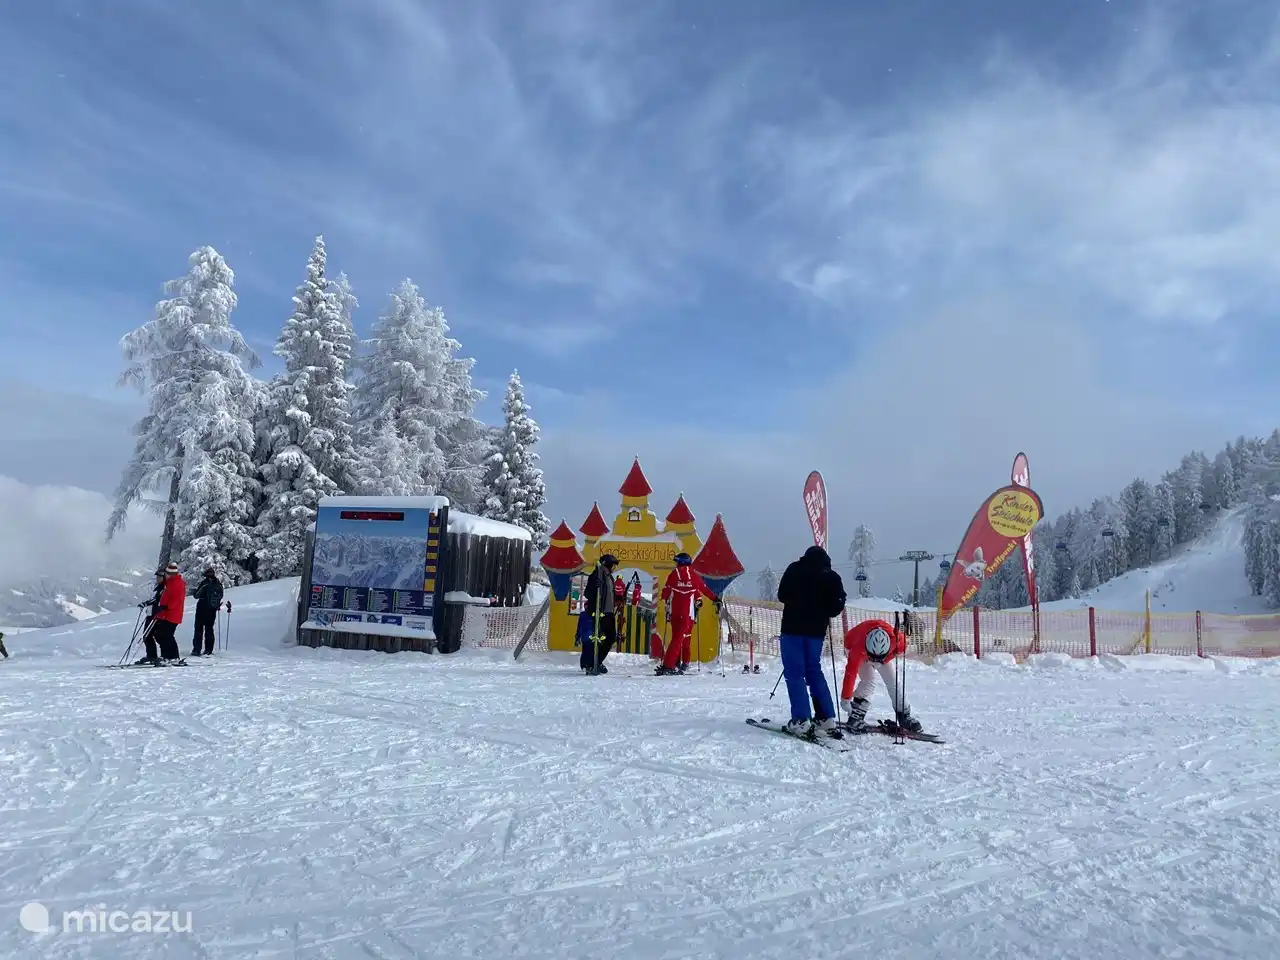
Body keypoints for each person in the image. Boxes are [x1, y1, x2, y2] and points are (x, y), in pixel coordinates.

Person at [776, 545, 847, 738]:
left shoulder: (794, 569)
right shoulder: (832, 577)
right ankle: (826, 717)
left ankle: (801, 719)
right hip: (816, 632)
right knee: (814, 670)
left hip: (792, 629)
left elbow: (782, 595)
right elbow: (836, 607)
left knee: (795, 672)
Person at [839, 616, 924, 734]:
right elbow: (850, 674)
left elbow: (900, 648)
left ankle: (904, 715)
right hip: (854, 643)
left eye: (878, 658)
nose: (875, 662)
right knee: (869, 681)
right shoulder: (857, 649)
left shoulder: (898, 641)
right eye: (873, 658)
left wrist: (883, 660)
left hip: (878, 649)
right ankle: (856, 715)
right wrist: (845, 698)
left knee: (893, 682)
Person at [657, 552, 718, 675]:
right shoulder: (694, 577)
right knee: (678, 640)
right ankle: (668, 666)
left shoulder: (673, 575)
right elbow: (704, 589)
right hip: (686, 614)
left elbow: (665, 593)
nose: (676, 565)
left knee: (676, 639)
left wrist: (666, 597)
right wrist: (715, 599)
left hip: (674, 613)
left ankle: (674, 663)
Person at [579, 554, 620, 675]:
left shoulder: (609, 577)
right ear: (607, 564)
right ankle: (591, 663)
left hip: (609, 613)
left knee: (610, 638)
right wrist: (593, 587)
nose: (614, 567)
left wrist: (618, 599)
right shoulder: (596, 575)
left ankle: (597, 661)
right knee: (597, 640)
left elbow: (609, 594)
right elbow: (587, 593)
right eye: (613, 565)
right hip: (598, 613)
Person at [150, 562, 186, 662]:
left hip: (172, 614)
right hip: (166, 614)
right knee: (161, 634)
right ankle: (167, 656)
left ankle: (173, 656)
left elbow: (177, 599)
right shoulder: (171, 582)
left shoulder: (177, 583)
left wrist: (166, 607)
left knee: (165, 634)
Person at [191, 567, 224, 657]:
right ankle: (208, 650)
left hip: (202, 608)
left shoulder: (205, 583)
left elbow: (196, 595)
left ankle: (197, 650)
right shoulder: (218, 584)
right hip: (212, 610)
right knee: (209, 629)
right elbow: (221, 595)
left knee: (198, 629)